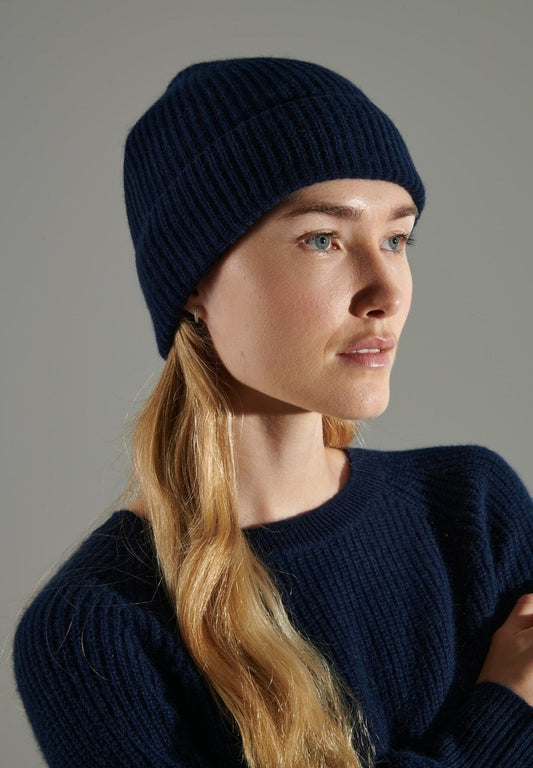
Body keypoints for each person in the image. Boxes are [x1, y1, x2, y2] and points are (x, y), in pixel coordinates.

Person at [13, 57, 533, 768]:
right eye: (322, 239)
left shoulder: (472, 510)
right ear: (194, 283)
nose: (386, 290)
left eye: (396, 239)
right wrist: (505, 716)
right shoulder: (95, 628)